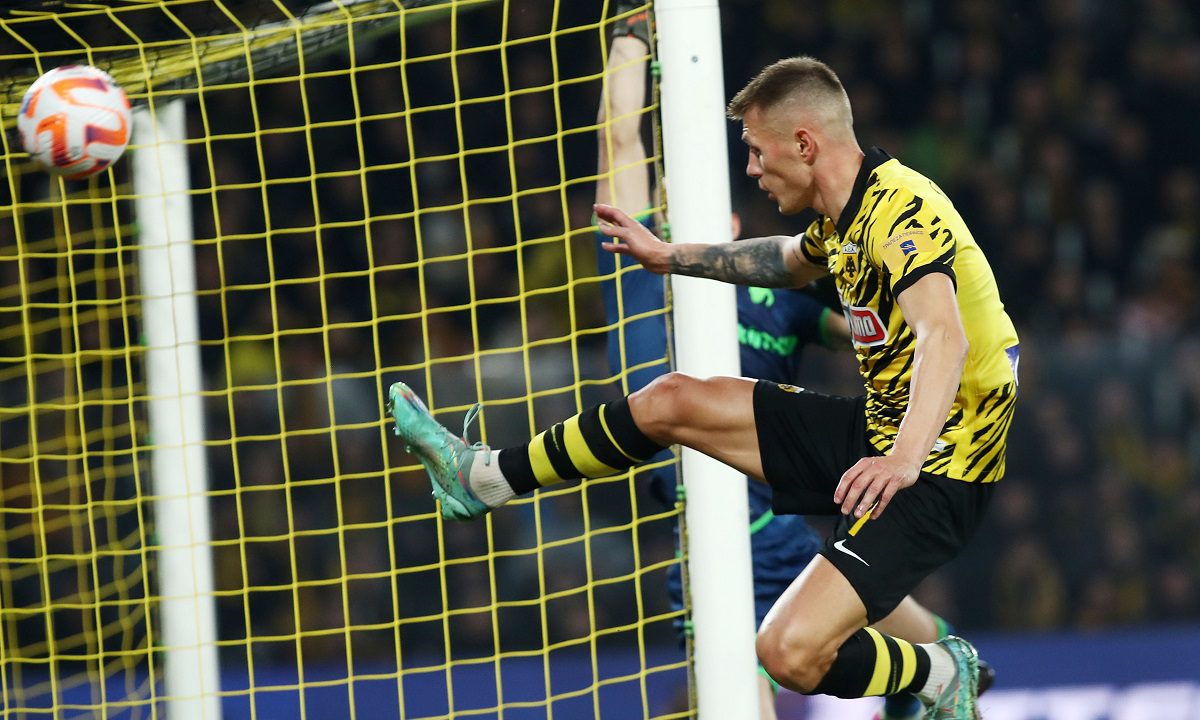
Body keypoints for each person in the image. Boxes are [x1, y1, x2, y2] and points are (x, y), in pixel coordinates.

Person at [390, 56, 1018, 718]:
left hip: (938, 469)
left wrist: (904, 459)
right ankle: (483, 478)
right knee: (671, 400)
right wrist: (669, 256)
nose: (751, 169)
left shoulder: (901, 210)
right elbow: (785, 262)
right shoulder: (843, 219)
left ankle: (940, 670)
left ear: (804, 144)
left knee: (788, 653)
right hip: (881, 434)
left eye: (757, 151)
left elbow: (944, 337)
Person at [591, 9, 973, 720]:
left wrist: (935, 332)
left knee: (906, 636)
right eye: (667, 211)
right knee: (741, 691)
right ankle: (934, 677)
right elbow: (620, 137)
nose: (675, 220)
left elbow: (880, 335)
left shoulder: (784, 300)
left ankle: (941, 679)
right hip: (699, 536)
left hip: (775, 525)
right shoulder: (639, 280)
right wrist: (632, 37)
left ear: (736, 229)